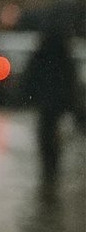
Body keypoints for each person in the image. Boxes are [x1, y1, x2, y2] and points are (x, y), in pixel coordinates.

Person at [22, 29, 84, 186]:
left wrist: (27, 95)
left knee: (46, 134)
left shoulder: (43, 53)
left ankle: (49, 166)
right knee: (52, 134)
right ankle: (51, 166)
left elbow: (31, 76)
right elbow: (70, 80)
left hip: (47, 102)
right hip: (56, 103)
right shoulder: (63, 54)